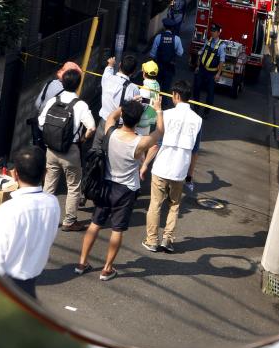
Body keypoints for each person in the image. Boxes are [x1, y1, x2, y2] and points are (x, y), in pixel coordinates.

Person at [75, 97, 163, 281]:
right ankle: (107, 269)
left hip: (106, 184)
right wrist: (158, 109)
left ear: (123, 115)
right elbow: (160, 131)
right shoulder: (140, 142)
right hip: (126, 190)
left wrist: (125, 105)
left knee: (95, 223)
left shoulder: (111, 132)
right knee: (117, 229)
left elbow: (110, 117)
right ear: (139, 121)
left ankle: (82, 263)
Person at [0, 148, 60, 299]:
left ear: (14, 174)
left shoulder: (8, 209)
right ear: (45, 173)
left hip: (5, 285)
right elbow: (50, 237)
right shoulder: (53, 203)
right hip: (30, 282)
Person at [143, 79, 202, 253]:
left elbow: (156, 143)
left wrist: (145, 164)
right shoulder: (197, 120)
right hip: (180, 170)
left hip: (161, 166)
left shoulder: (166, 115)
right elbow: (195, 151)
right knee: (174, 205)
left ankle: (152, 240)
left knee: (155, 204)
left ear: (176, 95)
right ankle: (167, 240)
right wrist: (190, 175)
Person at [38, 68, 96, 231]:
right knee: (73, 186)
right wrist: (83, 138)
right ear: (78, 85)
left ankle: (44, 218)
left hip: (51, 150)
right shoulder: (80, 105)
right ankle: (69, 221)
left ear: (62, 82)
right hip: (71, 151)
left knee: (49, 184)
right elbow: (91, 127)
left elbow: (41, 123)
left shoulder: (53, 101)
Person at [28, 61, 81, 147]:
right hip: (53, 130)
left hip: (38, 124)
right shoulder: (70, 96)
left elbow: (37, 103)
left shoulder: (50, 83)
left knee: (37, 149)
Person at [96, 54, 141, 139]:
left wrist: (111, 64)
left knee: (96, 149)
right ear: (133, 72)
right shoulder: (134, 89)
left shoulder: (107, 78)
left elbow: (108, 69)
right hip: (119, 127)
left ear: (120, 64)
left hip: (104, 122)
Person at [192, 23, 225, 112]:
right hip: (202, 69)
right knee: (196, 87)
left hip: (212, 72)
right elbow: (201, 53)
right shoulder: (208, 41)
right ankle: (196, 106)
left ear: (218, 33)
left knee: (210, 92)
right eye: (212, 31)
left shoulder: (221, 45)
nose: (212, 33)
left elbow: (222, 61)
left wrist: (218, 73)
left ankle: (206, 111)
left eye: (214, 31)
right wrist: (198, 66)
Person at [149, 21, 184, 92]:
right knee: (166, 89)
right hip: (169, 67)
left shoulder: (158, 37)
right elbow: (180, 53)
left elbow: (152, 54)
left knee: (156, 88)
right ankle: (164, 102)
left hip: (159, 66)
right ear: (173, 28)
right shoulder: (177, 39)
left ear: (164, 27)